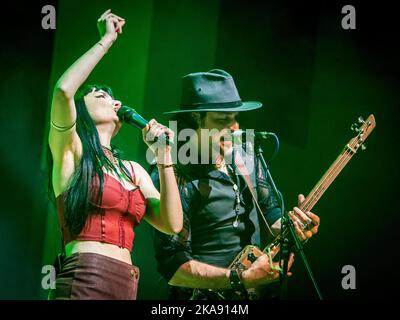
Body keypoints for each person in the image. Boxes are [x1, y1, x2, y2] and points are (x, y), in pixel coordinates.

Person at [149, 69, 320, 299]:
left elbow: (270, 212)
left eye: (235, 118)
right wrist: (238, 279)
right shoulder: (175, 173)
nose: (235, 127)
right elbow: (173, 265)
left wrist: (294, 225)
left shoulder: (246, 158)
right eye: (222, 119)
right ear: (195, 118)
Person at [47, 9, 183, 300]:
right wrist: (107, 39)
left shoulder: (133, 170)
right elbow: (63, 90)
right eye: (98, 94)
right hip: (85, 278)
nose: (111, 99)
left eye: (110, 95)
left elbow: (173, 224)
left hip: (126, 284)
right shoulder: (72, 150)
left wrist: (164, 155)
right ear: (80, 112)